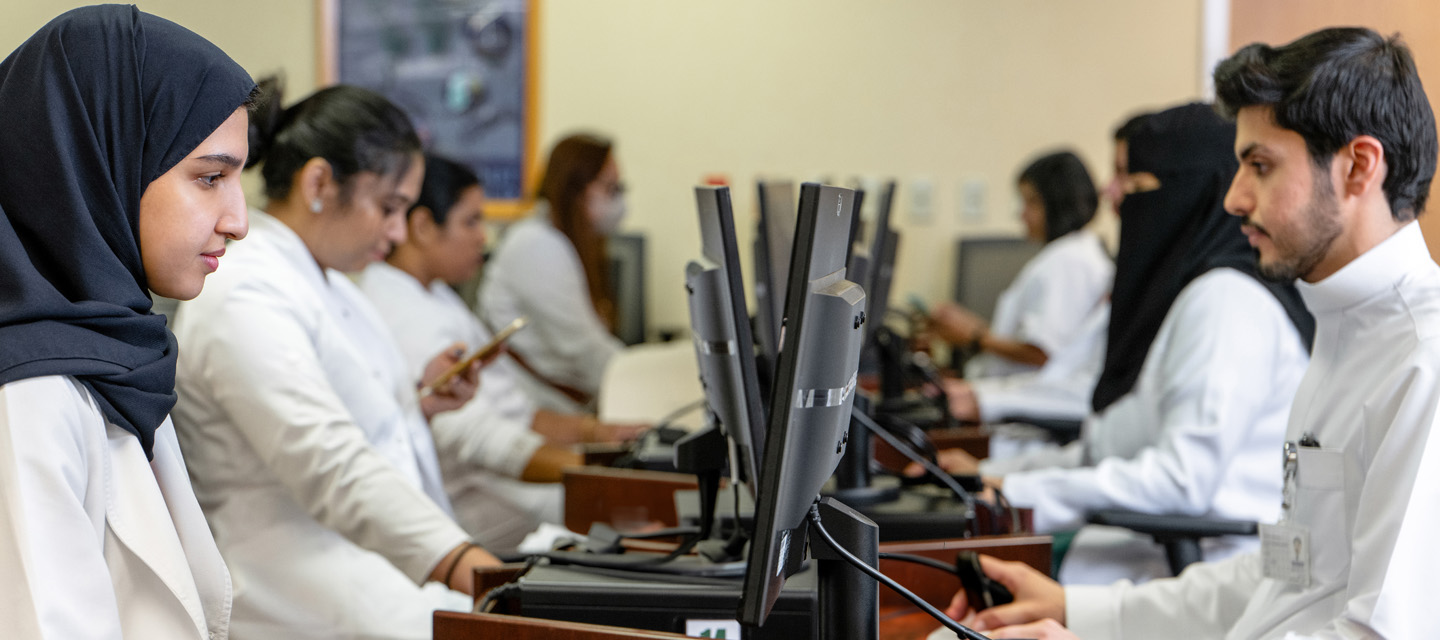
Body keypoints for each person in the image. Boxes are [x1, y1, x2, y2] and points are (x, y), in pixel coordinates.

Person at [942, 26, 1440, 640]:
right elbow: (1282, 575)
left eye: (1260, 166)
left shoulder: (1423, 362)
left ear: (1358, 167)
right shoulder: (1345, 334)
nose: (1234, 199)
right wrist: (1081, 610)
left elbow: (1378, 634)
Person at [171, 80, 500, 639]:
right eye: (389, 207)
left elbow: (350, 420)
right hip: (299, 595)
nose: (398, 232)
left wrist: (418, 401)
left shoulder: (331, 283)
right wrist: (467, 564)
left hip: (367, 572)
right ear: (319, 183)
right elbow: (327, 461)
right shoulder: (245, 291)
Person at [950, 103, 1316, 586]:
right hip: (1132, 551)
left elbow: (1181, 480)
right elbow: (1108, 445)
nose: (1119, 199)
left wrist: (1016, 491)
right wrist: (996, 478)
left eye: (1138, 187)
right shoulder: (1192, 296)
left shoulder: (1226, 304)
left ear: (1189, 195)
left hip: (1184, 572)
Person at [0, 6, 254, 637]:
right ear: (95, 159)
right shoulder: (27, 392)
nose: (239, 221)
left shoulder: (118, 347)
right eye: (210, 178)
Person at [361, 154, 644, 549]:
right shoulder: (401, 310)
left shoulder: (436, 294)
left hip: (497, 476)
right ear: (423, 226)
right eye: (471, 221)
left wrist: (597, 434)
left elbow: (516, 411)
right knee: (634, 515)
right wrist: (594, 468)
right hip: (470, 497)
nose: (483, 237)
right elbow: (479, 438)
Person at [930, 151, 1112, 396]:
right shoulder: (1071, 253)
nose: (1022, 213)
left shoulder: (1068, 261)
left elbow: (1043, 353)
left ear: (1057, 203)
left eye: (1031, 202)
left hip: (1024, 403)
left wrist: (975, 337)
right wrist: (971, 327)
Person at [479, 133, 629, 410]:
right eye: (611, 188)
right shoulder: (537, 245)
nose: (619, 201)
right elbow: (582, 349)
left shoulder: (564, 241)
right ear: (578, 188)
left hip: (558, 403)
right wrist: (645, 379)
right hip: (530, 404)